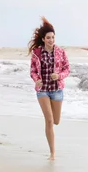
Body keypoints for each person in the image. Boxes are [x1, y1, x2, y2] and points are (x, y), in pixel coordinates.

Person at [29, 16, 70, 160]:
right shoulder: (37, 54)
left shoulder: (60, 52)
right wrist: (37, 80)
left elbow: (67, 69)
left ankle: (52, 147)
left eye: (53, 37)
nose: (51, 40)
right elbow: (32, 71)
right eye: (48, 37)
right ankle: (52, 153)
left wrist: (59, 76)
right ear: (43, 39)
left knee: (56, 121)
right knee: (49, 120)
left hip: (57, 90)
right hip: (43, 91)